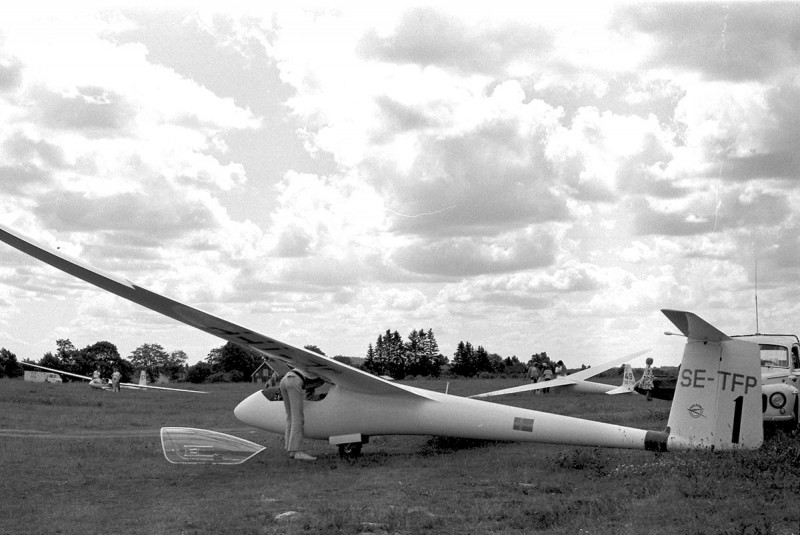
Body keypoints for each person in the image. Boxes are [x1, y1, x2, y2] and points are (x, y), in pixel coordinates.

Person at [279, 368, 325, 461]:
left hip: (284, 380)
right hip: (295, 380)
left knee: (290, 416)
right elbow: (310, 393)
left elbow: (309, 395)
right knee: (298, 418)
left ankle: (291, 450)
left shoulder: (314, 370)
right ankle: (297, 451)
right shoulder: (324, 376)